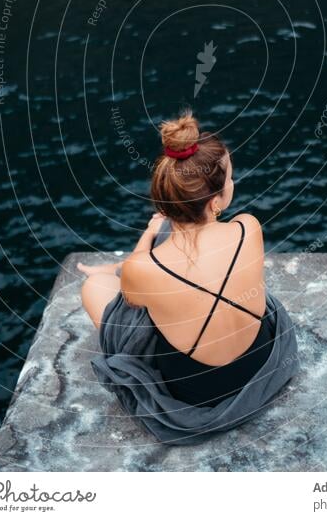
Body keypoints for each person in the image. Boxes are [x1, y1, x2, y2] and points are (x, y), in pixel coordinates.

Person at [77, 110, 299, 444]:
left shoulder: (144, 266)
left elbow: (131, 297)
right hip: (259, 366)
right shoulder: (248, 227)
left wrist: (151, 232)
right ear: (214, 201)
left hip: (197, 393)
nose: (232, 183)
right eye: (229, 179)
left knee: (95, 287)